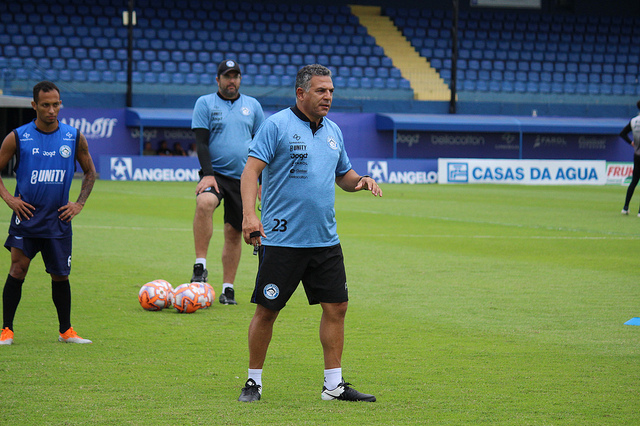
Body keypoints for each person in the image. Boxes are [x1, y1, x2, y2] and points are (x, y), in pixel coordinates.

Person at [238, 64, 382, 402]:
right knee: (267, 310)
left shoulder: (333, 131)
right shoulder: (276, 126)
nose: (328, 97)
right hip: (283, 239)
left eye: (331, 91)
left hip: (325, 240)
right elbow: (250, 173)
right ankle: (253, 382)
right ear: (301, 93)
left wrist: (360, 182)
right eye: (321, 90)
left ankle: (333, 385)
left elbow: (344, 175)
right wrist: (248, 216)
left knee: (337, 307)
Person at [0, 81, 96, 345]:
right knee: (18, 269)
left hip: (58, 219)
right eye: (46, 105)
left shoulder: (73, 136)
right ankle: (6, 330)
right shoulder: (18, 136)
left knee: (60, 275)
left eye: (56, 104)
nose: (52, 110)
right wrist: (9, 199)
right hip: (26, 218)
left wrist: (78, 204)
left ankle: (66, 330)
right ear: (34, 105)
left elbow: (90, 171)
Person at [190, 59, 265, 305]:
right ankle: (200, 266)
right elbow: (201, 142)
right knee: (205, 202)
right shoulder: (205, 103)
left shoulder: (252, 106)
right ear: (218, 79)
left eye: (236, 76)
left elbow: (262, 146)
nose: (231, 80)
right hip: (216, 173)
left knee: (234, 232)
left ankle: (228, 289)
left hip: (245, 178)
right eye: (227, 76)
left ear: (240, 79)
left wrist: (261, 181)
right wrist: (208, 174)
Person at [620, 100, 640, 216]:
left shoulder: (634, 121)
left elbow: (622, 133)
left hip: (637, 155)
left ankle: (625, 207)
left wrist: (631, 142)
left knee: (634, 181)